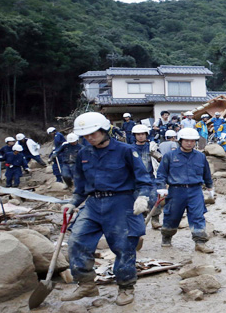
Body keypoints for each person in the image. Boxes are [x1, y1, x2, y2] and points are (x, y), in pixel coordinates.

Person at [60, 112, 152, 306]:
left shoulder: (125, 150)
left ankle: (126, 287)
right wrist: (73, 203)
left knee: (124, 247)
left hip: (120, 203)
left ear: (104, 130)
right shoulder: (84, 153)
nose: (89, 138)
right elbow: (81, 186)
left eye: (93, 133)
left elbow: (144, 179)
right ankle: (86, 283)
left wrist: (143, 197)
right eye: (85, 135)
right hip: (93, 204)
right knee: (77, 240)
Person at [155, 128, 214, 253]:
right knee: (172, 216)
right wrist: (161, 188)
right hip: (176, 191)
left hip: (195, 191)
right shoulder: (170, 156)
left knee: (198, 217)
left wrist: (210, 187)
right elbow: (161, 174)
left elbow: (206, 173)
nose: (189, 143)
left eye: (192, 141)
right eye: (186, 141)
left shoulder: (200, 157)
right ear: (180, 141)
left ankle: (200, 242)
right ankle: (167, 236)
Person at [132, 124, 162, 229]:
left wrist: (155, 153)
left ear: (146, 135)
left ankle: (155, 220)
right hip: (135, 179)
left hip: (150, 177)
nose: (140, 136)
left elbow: (162, 160)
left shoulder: (152, 146)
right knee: (138, 201)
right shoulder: (130, 149)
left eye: (142, 134)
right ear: (134, 136)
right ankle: (141, 221)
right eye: (138, 134)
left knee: (154, 198)